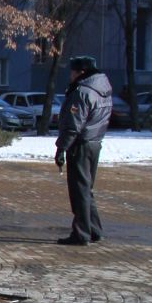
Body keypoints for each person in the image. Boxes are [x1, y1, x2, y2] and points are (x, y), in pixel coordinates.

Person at [55, 54, 112, 244]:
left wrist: (62, 148)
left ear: (81, 72)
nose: (70, 75)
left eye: (72, 71)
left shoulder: (82, 91)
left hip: (81, 144)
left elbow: (73, 124)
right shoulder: (102, 89)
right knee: (86, 189)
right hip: (95, 142)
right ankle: (94, 229)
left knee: (79, 190)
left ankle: (81, 234)